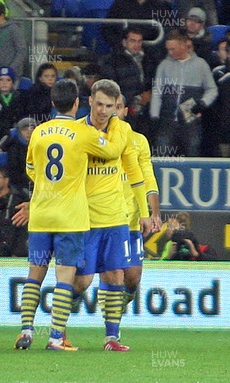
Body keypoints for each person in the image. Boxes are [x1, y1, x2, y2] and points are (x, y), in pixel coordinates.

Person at [14, 79, 125, 351]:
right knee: (65, 276)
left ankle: (26, 331)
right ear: (77, 103)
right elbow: (111, 151)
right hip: (70, 216)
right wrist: (114, 127)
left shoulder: (39, 131)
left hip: (41, 214)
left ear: (53, 102)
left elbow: (30, 168)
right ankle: (55, 337)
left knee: (34, 274)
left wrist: (47, 185)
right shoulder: (82, 132)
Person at [72, 79, 151, 352]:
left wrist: (144, 210)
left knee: (116, 274)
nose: (105, 111)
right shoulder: (75, 131)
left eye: (110, 106)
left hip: (116, 216)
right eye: (101, 104)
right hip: (84, 217)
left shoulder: (124, 133)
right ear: (90, 101)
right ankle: (59, 322)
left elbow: (136, 174)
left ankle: (111, 338)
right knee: (82, 281)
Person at [115, 95, 161, 306]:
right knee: (105, 276)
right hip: (103, 220)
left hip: (132, 221)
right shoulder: (94, 139)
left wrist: (155, 213)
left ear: (125, 110)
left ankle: (125, 300)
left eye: (117, 107)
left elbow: (148, 178)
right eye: (107, 106)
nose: (112, 112)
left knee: (132, 278)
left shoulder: (139, 141)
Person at [149, 30, 218, 157]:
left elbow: (212, 89)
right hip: (167, 120)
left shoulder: (201, 65)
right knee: (161, 154)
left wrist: (202, 103)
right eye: (168, 49)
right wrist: (154, 116)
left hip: (191, 121)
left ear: (183, 46)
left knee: (192, 152)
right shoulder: (164, 65)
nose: (170, 52)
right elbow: (157, 92)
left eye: (172, 49)